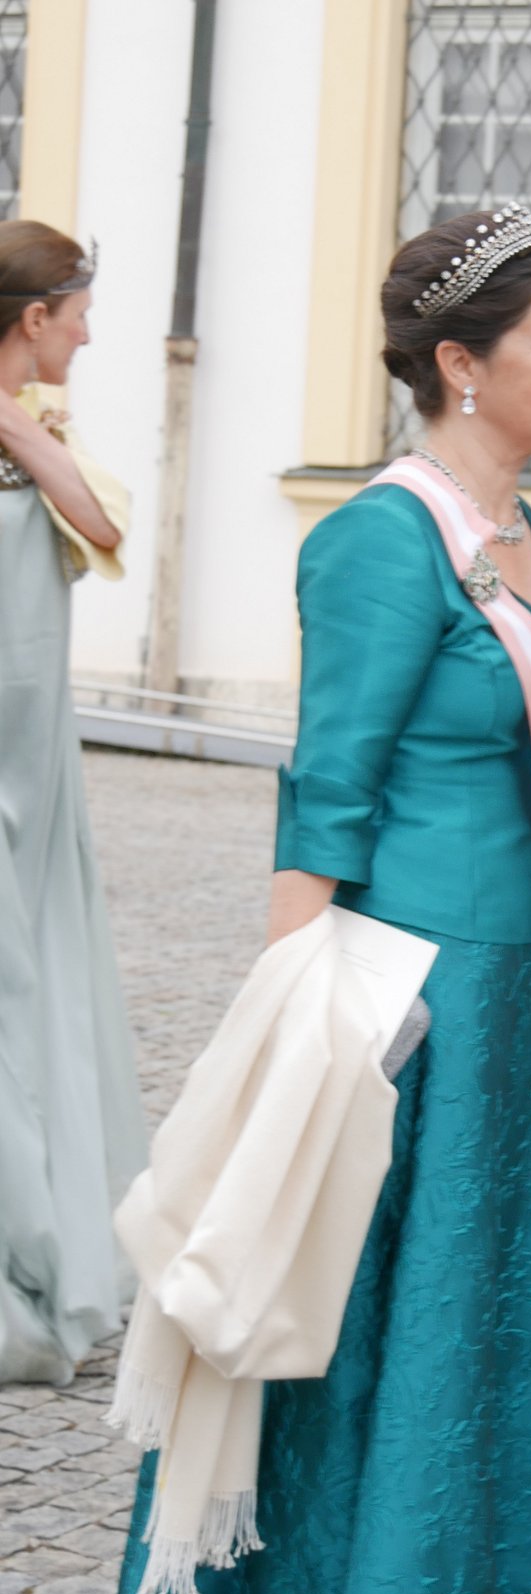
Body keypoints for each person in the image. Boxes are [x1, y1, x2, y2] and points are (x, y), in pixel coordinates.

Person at [102, 206, 531, 1594]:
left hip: (508, 996)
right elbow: (330, 785)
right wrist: (295, 1013)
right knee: (358, 1335)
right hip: (407, 996)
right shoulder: (380, 537)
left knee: (462, 1344)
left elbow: (530, 732)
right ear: (460, 364)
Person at [0, 221, 144, 1388]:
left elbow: (103, 526)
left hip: (36, 768)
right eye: (79, 311)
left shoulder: (38, 424)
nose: (89, 332)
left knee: (38, 976)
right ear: (34, 316)